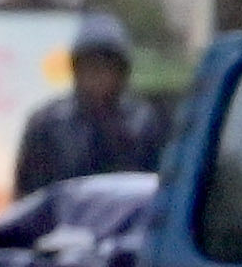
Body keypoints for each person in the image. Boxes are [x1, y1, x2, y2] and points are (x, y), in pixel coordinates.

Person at [15, 13, 170, 194]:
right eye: (90, 67)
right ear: (76, 70)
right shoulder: (47, 124)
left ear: (121, 73)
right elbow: (28, 198)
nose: (98, 77)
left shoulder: (144, 124)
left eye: (107, 67)